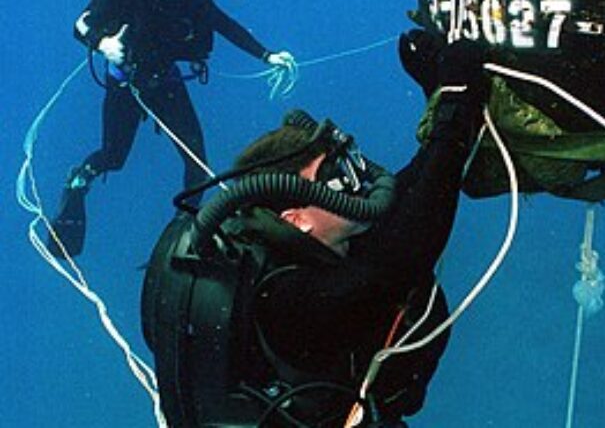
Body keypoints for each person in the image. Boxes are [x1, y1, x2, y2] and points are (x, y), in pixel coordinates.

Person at [141, 32, 487, 427]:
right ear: (296, 218)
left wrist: (442, 97)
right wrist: (455, 113)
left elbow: (410, 202)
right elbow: (406, 253)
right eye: (331, 176)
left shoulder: (308, 247)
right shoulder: (287, 300)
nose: (355, 182)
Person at [48, 0, 292, 257]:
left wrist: (267, 55)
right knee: (113, 157)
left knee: (197, 163)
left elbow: (223, 24)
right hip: (125, 84)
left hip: (165, 81)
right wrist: (103, 44)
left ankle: (181, 233)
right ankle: (80, 179)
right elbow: (81, 25)